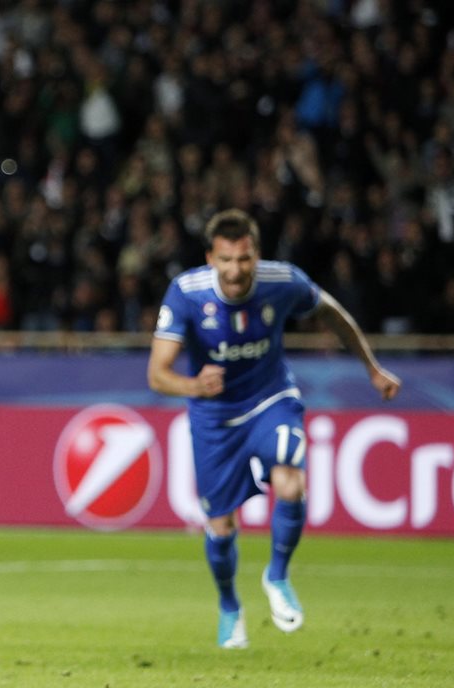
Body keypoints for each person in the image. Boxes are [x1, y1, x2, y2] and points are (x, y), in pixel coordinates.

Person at [147, 208, 400, 649]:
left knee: (290, 479)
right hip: (214, 416)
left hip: (270, 398)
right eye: (226, 260)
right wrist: (194, 385)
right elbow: (157, 375)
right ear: (211, 258)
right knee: (220, 526)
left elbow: (335, 316)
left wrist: (373, 369)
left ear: (256, 256)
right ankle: (230, 607)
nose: (235, 270)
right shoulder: (186, 293)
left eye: (244, 259)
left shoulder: (282, 282)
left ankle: (278, 576)